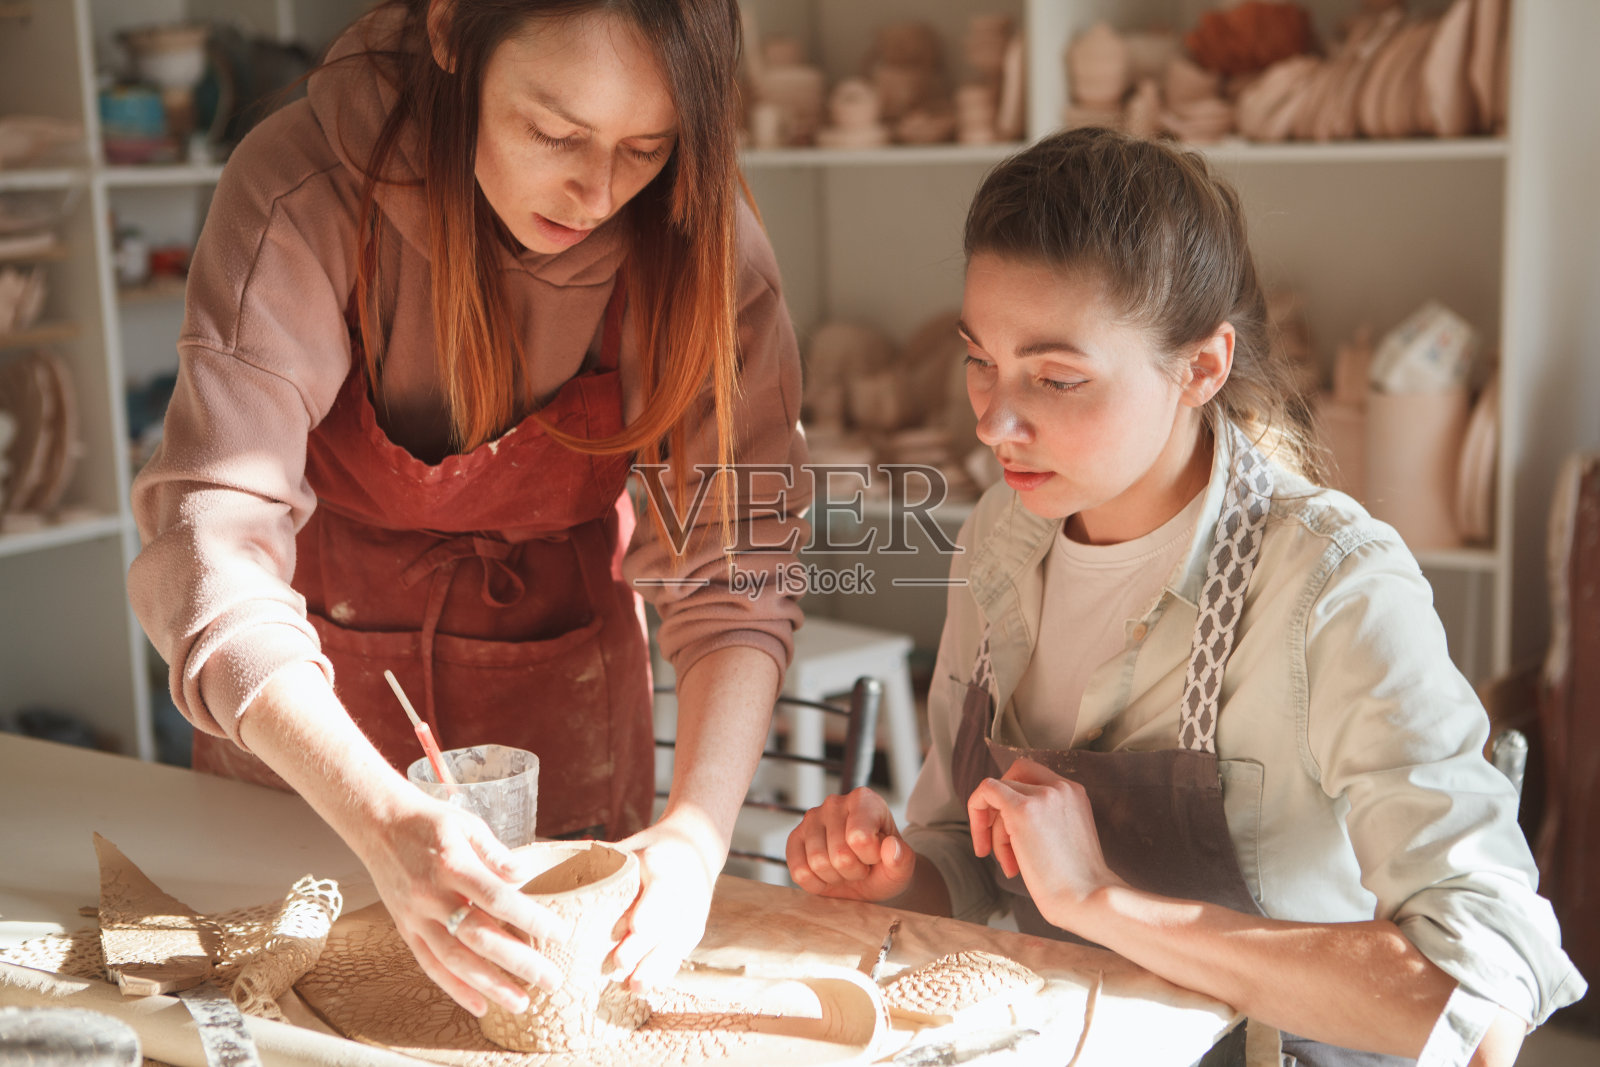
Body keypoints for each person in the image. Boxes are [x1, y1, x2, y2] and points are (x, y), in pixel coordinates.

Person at [784, 127, 1585, 1066]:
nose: (993, 420)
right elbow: (969, 855)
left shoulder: (1332, 589)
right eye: (980, 360)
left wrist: (1101, 900)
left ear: (1201, 367)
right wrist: (897, 874)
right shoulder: (1000, 539)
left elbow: (1482, 1004)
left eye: (1056, 377)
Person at [128, 0, 810, 1021]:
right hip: (310, 721)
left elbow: (738, 569)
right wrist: (379, 818)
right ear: (452, 32)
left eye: (645, 146)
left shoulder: (698, 241)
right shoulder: (301, 187)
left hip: (562, 678)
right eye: (555, 131)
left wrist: (696, 836)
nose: (597, 189)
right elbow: (208, 544)